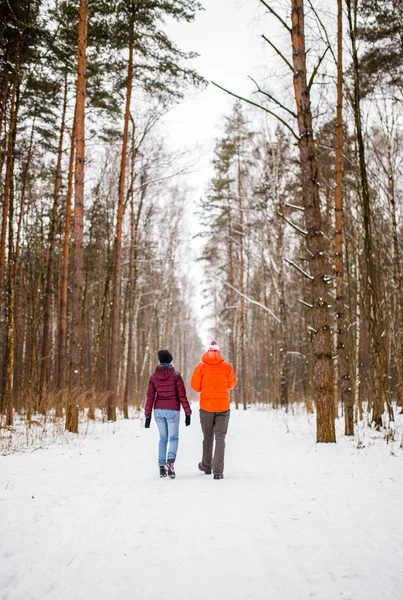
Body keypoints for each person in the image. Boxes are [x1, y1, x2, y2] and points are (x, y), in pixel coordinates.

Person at [191, 341, 236, 480]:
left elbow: (195, 386)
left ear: (208, 352)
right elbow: (231, 384)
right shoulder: (227, 367)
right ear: (218, 352)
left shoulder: (201, 367)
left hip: (206, 407)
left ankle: (206, 465)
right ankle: (218, 471)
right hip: (223, 407)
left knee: (208, 437)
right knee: (220, 438)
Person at [145, 349, 191, 479]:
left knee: (163, 438)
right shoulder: (175, 375)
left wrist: (147, 415)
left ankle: (161, 467)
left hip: (158, 411)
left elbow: (150, 396)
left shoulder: (154, 376)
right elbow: (182, 395)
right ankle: (170, 462)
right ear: (170, 360)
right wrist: (188, 412)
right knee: (173, 438)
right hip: (173, 410)